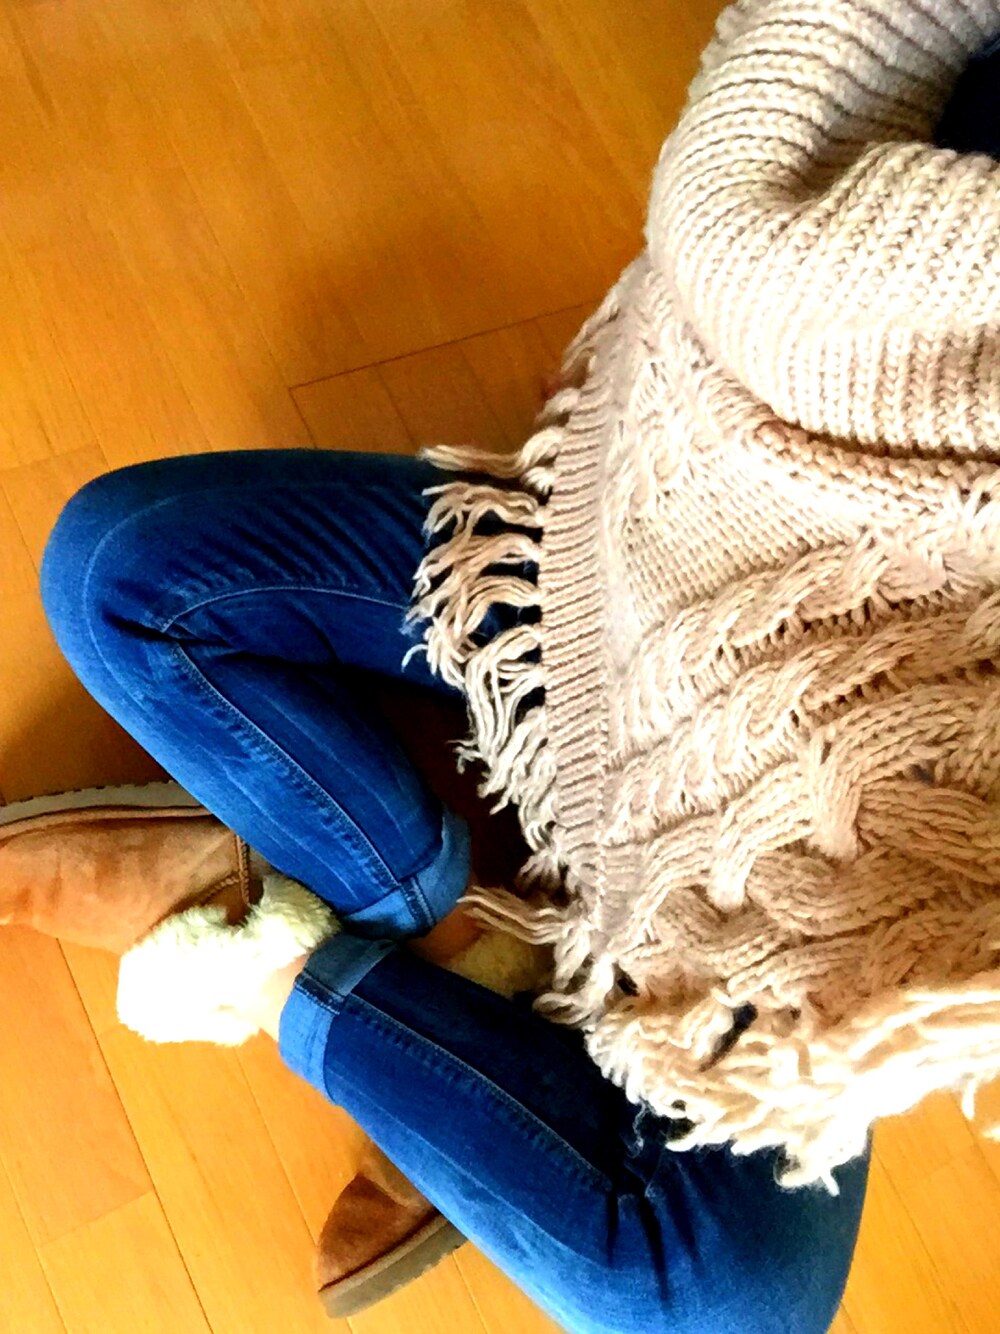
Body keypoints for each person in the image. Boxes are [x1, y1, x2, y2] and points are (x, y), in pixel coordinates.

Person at [30, 3, 1000, 1331]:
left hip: (824, 868)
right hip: (608, 574)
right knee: (117, 566)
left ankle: (290, 952)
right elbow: (756, 162)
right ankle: (452, 948)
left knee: (715, 1310)